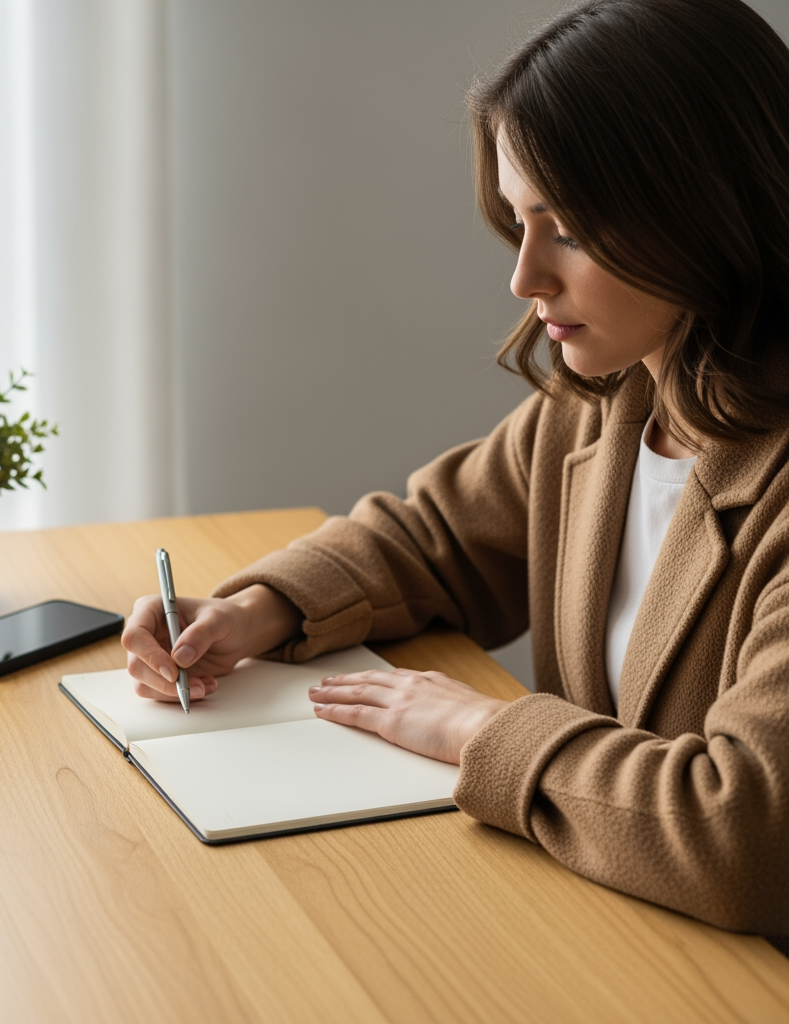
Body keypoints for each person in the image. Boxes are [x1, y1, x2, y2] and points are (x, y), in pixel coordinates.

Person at [121, 0, 789, 948]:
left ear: (706, 210)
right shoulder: (606, 405)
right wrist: (259, 608)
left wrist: (476, 731)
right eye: (521, 221)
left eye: (570, 230)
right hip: (609, 933)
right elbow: (430, 541)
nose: (524, 277)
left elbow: (742, 836)